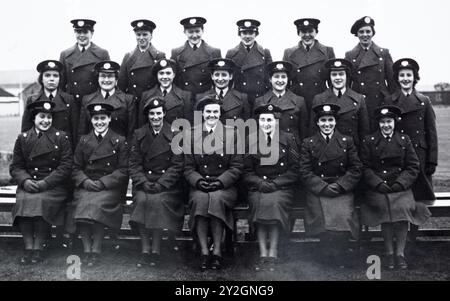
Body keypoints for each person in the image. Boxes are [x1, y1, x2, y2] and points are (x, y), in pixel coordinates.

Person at [360, 105, 431, 269]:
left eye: (389, 121)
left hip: (400, 187)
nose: (386, 125)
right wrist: (378, 183)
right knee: (385, 209)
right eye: (383, 122)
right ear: (379, 123)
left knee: (401, 209)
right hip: (378, 188)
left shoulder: (404, 140)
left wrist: (401, 182)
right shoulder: (369, 141)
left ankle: (400, 254)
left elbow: (413, 166)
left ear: (395, 122)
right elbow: (364, 167)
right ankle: (389, 253)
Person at [184, 96, 244, 271]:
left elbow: (236, 166)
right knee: (201, 200)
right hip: (200, 184)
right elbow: (188, 167)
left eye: (215, 111)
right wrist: (198, 181)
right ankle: (204, 251)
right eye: (208, 111)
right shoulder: (191, 134)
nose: (211, 115)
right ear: (202, 113)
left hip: (224, 186)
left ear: (220, 113)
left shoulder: (232, 134)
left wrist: (220, 182)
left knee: (216, 199)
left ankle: (217, 250)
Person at [10, 100, 73, 264]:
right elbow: (16, 166)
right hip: (29, 184)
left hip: (53, 186)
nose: (46, 120)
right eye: (42, 116)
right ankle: (28, 247)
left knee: (40, 201)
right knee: (24, 200)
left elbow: (66, 166)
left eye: (49, 117)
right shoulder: (23, 138)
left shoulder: (61, 138)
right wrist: (25, 181)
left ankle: (38, 248)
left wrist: (45, 184)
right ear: (33, 118)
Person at [299, 103, 362, 267]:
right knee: (321, 215)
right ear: (317, 123)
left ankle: (340, 252)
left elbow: (356, 168)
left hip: (341, 188)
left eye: (330, 120)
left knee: (342, 214)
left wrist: (340, 186)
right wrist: (323, 187)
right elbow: (304, 171)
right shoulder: (308, 143)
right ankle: (326, 252)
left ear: (335, 122)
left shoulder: (347, 141)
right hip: (318, 189)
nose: (327, 124)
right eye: (323, 120)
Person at [129, 98, 185, 267]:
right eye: (152, 114)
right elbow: (134, 163)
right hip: (145, 183)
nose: (155, 117)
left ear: (164, 114)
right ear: (148, 116)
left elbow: (177, 164)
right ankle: (146, 250)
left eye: (158, 113)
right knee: (143, 200)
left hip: (166, 186)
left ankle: (157, 249)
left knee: (158, 201)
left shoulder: (175, 134)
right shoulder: (139, 134)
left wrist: (161, 183)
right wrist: (143, 182)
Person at [72, 102, 128, 266]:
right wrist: (85, 181)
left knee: (96, 206)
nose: (99, 122)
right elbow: (75, 167)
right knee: (83, 204)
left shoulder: (119, 140)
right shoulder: (83, 140)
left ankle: (95, 250)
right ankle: (86, 249)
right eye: (96, 119)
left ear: (109, 119)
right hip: (87, 185)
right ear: (91, 120)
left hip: (108, 188)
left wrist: (103, 183)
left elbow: (123, 170)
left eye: (103, 118)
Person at [243, 104, 299, 271]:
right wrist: (259, 183)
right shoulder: (250, 140)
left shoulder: (289, 138)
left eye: (270, 119)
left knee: (274, 203)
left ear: (277, 121)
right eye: (263, 120)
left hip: (281, 187)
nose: (266, 123)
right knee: (260, 202)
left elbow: (295, 169)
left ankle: (273, 251)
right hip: (258, 186)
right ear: (258, 122)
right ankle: (262, 252)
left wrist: (276, 183)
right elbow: (245, 170)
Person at [382, 58, 437, 204]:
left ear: (415, 78)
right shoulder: (389, 101)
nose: (405, 79)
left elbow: (431, 132)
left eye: (408, 75)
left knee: (421, 201)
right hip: (397, 156)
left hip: (420, 157)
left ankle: (415, 228)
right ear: (397, 78)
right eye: (402, 75)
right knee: (399, 200)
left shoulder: (424, 101)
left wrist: (432, 161)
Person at [345, 16, 395, 131]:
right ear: (357, 34)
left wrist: (391, 102)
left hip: (381, 102)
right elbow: (347, 84)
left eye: (368, 31)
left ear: (373, 33)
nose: (365, 34)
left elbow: (392, 82)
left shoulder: (384, 53)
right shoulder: (350, 55)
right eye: (361, 32)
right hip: (359, 103)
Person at [59, 19, 110, 129]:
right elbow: (61, 85)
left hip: (94, 104)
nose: (81, 35)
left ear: (92, 33)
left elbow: (108, 81)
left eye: (85, 32)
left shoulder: (102, 54)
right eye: (78, 32)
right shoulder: (65, 54)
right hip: (73, 105)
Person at [310, 58, 370, 148]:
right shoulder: (319, 99)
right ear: (329, 77)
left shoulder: (358, 99)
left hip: (351, 151)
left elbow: (364, 132)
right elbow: (313, 131)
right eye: (334, 75)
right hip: (326, 150)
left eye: (341, 74)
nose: (338, 78)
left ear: (347, 76)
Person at [22, 60, 78, 148]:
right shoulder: (32, 100)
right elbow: (26, 130)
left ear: (60, 79)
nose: (51, 79)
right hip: (40, 149)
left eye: (55, 75)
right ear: (41, 79)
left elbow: (75, 131)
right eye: (47, 75)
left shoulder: (69, 100)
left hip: (63, 150)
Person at [283, 18, 335, 114]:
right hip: (296, 100)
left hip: (320, 100)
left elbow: (332, 80)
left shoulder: (328, 51)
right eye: (303, 31)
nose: (307, 35)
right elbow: (285, 81)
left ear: (316, 32)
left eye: (310, 31)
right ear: (298, 33)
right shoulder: (289, 53)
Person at [118, 19, 166, 120]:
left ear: (151, 35)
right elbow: (121, 85)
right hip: (133, 104)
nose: (141, 38)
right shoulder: (128, 57)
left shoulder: (160, 56)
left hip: (152, 104)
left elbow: (163, 82)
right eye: (138, 35)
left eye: (145, 34)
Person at [78, 61, 136, 143]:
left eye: (110, 76)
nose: (106, 80)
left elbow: (131, 132)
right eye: (103, 76)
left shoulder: (128, 100)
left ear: (116, 79)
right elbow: (82, 131)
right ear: (98, 78)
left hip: (118, 149)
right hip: (93, 150)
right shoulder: (87, 100)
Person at [254, 61, 308, 146]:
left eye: (283, 77)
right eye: (276, 77)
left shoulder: (299, 101)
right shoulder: (260, 101)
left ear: (287, 79)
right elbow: (256, 131)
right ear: (270, 79)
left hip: (292, 148)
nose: (280, 80)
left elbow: (304, 132)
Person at [226, 19, 272, 110]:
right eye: (244, 33)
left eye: (251, 33)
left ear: (256, 34)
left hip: (260, 97)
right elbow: (228, 80)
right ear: (239, 34)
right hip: (239, 98)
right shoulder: (231, 53)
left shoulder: (265, 53)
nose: (247, 36)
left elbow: (269, 78)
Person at [171, 17, 221, 95]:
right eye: (190, 32)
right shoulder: (176, 53)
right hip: (184, 98)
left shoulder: (214, 52)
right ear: (184, 32)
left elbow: (218, 80)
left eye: (197, 31)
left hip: (205, 97)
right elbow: (173, 80)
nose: (194, 35)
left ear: (203, 31)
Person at [139, 58, 193, 127]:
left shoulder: (185, 96)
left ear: (173, 75)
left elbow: (188, 126)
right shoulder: (146, 96)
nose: (164, 77)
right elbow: (142, 127)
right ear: (157, 75)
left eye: (168, 73)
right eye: (161, 73)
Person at [195, 58, 251, 124]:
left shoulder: (242, 98)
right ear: (212, 76)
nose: (220, 79)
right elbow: (197, 127)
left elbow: (246, 127)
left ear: (230, 76)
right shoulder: (201, 98)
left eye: (224, 75)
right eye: (217, 75)